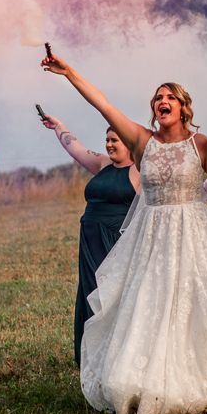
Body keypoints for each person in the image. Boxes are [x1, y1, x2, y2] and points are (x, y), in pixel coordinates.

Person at [42, 54, 207, 414]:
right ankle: (143, 380)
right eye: (158, 97)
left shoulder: (200, 144)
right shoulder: (141, 140)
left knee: (196, 302)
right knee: (148, 303)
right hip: (151, 235)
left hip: (193, 232)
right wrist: (69, 73)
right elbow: (102, 104)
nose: (163, 101)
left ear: (183, 107)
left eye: (170, 97)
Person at [39, 114, 138, 365]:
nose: (109, 144)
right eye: (107, 139)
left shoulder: (140, 171)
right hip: (90, 241)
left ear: (128, 142)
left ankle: (116, 356)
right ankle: (92, 357)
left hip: (114, 243)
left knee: (110, 296)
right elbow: (77, 149)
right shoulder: (103, 164)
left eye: (115, 140)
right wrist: (58, 126)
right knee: (89, 291)